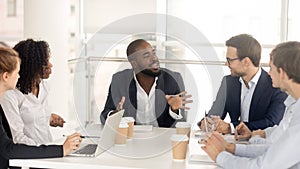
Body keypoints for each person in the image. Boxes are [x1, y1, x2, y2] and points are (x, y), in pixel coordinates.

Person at [202, 41, 300, 169]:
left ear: (282, 73)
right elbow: (274, 149)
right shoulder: (294, 105)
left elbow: (262, 166)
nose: (269, 73)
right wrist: (230, 147)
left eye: (271, 68)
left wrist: (220, 156)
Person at [0, 46, 82, 169]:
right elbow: (8, 147)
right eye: (17, 72)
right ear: (6, 76)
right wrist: (59, 150)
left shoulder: (44, 87)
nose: (18, 76)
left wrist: (47, 119)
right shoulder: (9, 97)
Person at [198, 34, 287, 134]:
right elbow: (215, 114)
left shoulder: (275, 85)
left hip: (261, 145)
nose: (226, 64)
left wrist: (231, 128)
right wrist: (206, 123)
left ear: (246, 62)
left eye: (230, 60)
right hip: (232, 144)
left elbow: (272, 123)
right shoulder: (228, 82)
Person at [100, 39, 192, 127]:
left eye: (154, 53)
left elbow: (181, 122)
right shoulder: (120, 80)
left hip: (162, 138)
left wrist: (174, 109)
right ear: (134, 63)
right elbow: (105, 115)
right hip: (132, 136)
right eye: (146, 55)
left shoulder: (173, 79)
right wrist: (114, 115)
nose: (154, 58)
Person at [0, 39, 65, 146]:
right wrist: (45, 151)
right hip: (31, 156)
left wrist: (48, 118)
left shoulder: (43, 86)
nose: (50, 65)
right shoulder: (10, 94)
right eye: (45, 62)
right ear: (32, 66)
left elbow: (32, 117)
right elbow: (17, 138)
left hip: (47, 151)